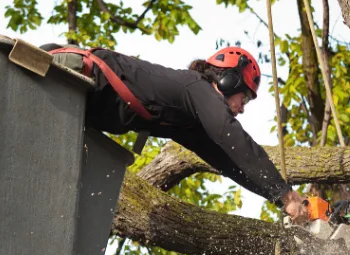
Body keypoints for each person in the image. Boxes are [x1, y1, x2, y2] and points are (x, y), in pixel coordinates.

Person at [41, 43, 307, 222]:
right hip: (67, 74)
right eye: (244, 99)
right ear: (228, 80)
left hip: (76, 103)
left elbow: (231, 161)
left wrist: (279, 198)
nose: (242, 109)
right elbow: (231, 135)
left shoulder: (188, 120)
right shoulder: (197, 87)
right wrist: (285, 193)